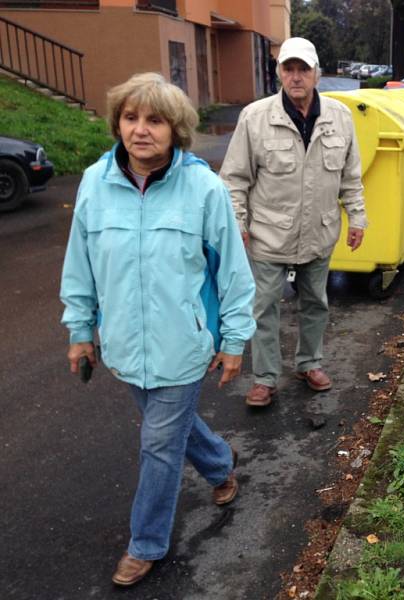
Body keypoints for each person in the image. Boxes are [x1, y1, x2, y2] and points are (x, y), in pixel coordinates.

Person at [59, 72, 256, 587]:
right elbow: (80, 265)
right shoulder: (93, 185)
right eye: (130, 117)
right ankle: (219, 463)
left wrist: (234, 340)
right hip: (126, 344)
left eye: (155, 120)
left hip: (185, 344)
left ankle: (146, 542)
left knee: (158, 442)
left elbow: (233, 271)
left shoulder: (203, 189)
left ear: (177, 130)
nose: (140, 130)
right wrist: (80, 329)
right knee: (170, 429)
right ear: (116, 123)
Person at [220, 37, 366, 408]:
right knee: (264, 307)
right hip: (268, 235)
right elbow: (234, 179)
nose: (296, 76)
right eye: (289, 68)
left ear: (317, 74)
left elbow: (351, 175)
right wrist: (238, 223)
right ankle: (265, 379)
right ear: (279, 73)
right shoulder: (255, 118)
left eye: (304, 69)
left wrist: (357, 217)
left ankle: (309, 363)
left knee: (315, 302)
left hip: (319, 231)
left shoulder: (340, 117)